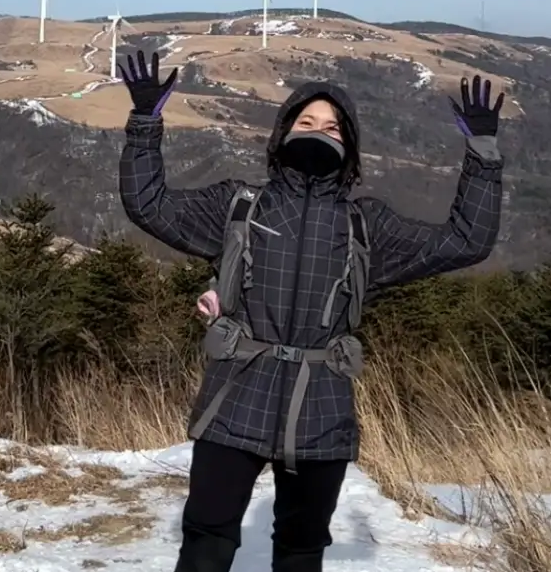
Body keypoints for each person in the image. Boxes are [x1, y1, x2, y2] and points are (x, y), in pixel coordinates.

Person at [117, 50, 505, 572]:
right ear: (282, 135)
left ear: (350, 147)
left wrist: (482, 153)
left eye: (333, 127)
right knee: (207, 539)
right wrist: (145, 121)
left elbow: (467, 240)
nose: (318, 131)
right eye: (306, 121)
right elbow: (149, 204)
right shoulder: (239, 208)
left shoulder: (369, 228)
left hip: (322, 409)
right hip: (236, 397)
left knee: (301, 551)